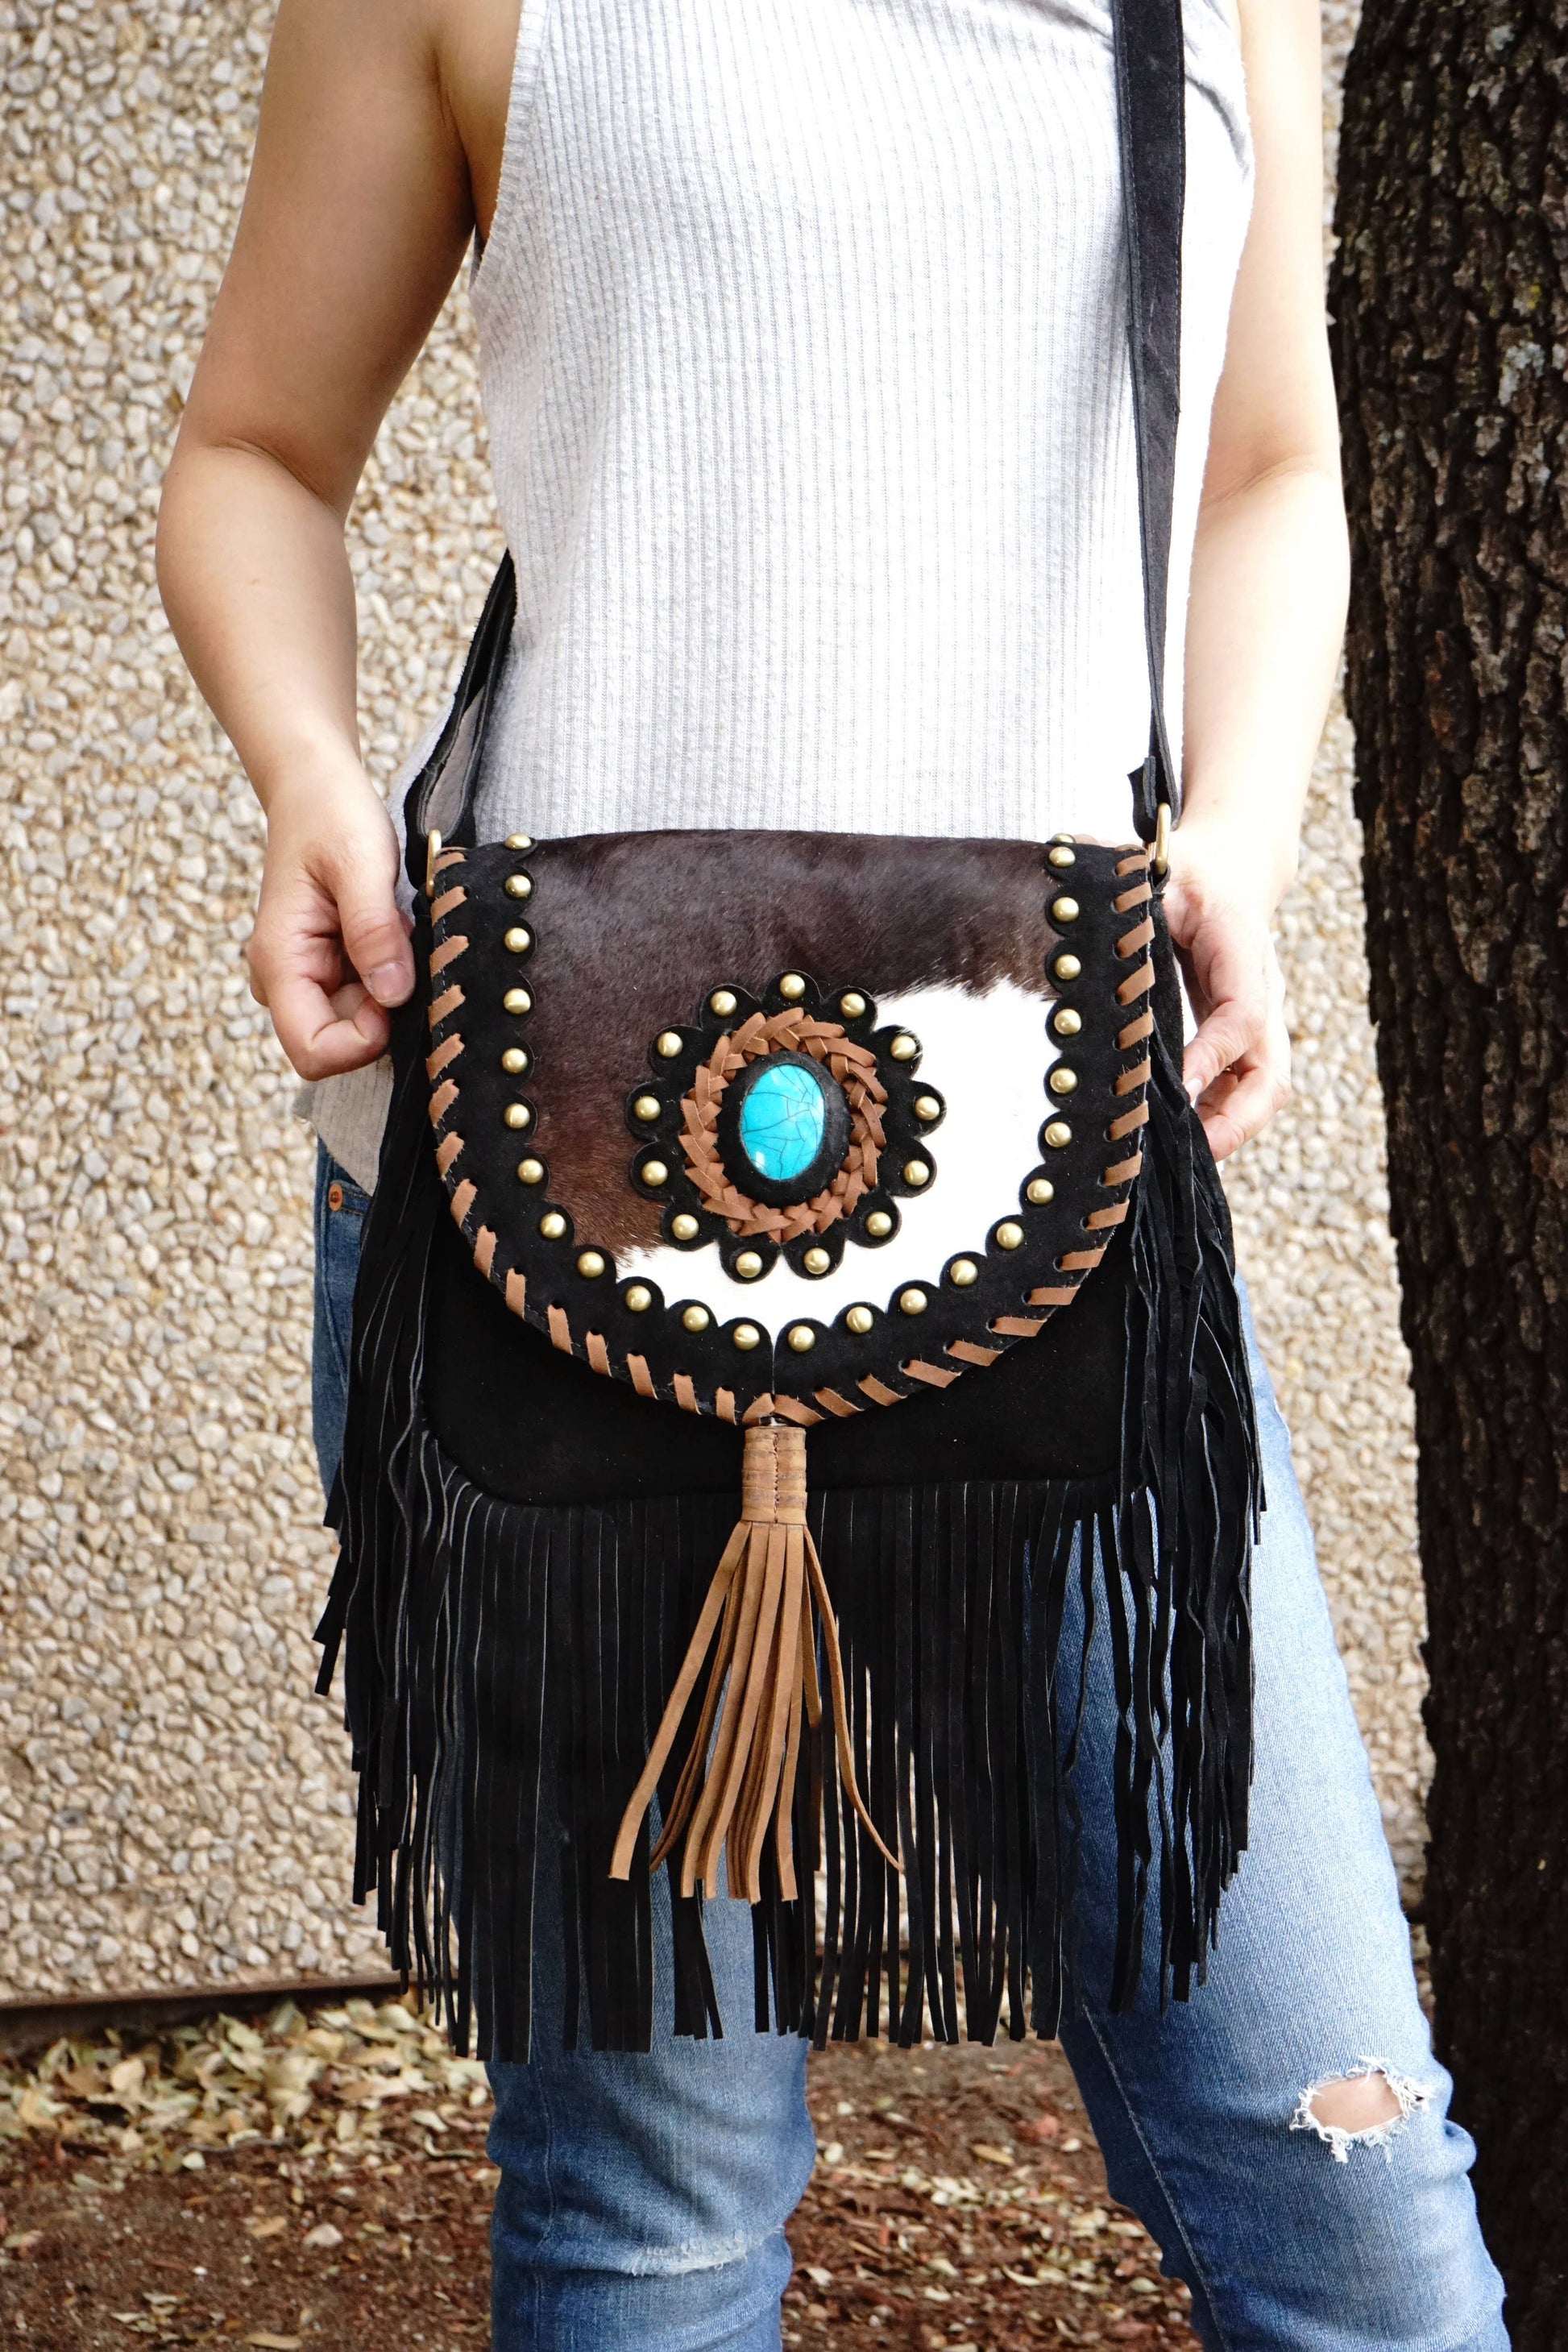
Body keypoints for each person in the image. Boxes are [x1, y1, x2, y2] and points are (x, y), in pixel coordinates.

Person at [156, 0, 1506, 2342]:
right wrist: (308, 783)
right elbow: (257, 449)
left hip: (1061, 1184)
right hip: (537, 1198)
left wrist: (1243, 833)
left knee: (1354, 2202)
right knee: (654, 2216)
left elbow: (1268, 463)